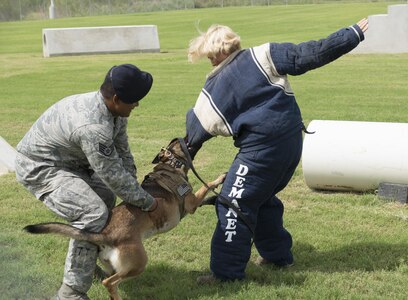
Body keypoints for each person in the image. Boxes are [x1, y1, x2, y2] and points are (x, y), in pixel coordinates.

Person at [185, 19, 369, 283]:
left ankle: (226, 274)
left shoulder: (214, 87)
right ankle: (277, 255)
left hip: (262, 153)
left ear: (217, 53)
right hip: (292, 144)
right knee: (261, 196)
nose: (211, 61)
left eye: (210, 56)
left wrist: (174, 164)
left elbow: (192, 136)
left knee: (233, 202)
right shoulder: (264, 54)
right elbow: (312, 53)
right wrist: (350, 35)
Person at [15, 64, 166, 299]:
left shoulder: (113, 110)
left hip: (72, 163)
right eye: (134, 100)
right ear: (116, 98)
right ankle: (71, 292)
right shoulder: (93, 127)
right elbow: (113, 176)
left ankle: (86, 264)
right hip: (41, 167)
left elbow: (122, 152)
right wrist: (150, 204)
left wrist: (136, 187)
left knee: (105, 198)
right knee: (93, 213)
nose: (137, 104)